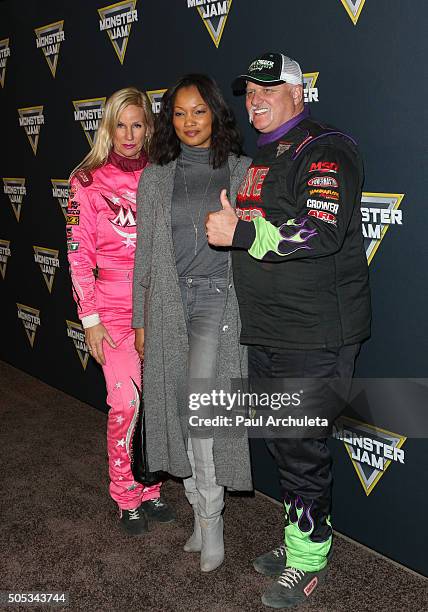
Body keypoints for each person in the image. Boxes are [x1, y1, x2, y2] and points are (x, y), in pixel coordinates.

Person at [206, 52, 371, 607]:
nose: (255, 97)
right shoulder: (265, 154)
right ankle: (306, 535)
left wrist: (243, 231)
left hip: (317, 333)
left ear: (299, 94)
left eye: (268, 88)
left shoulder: (326, 148)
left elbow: (319, 231)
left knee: (301, 445)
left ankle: (307, 562)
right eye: (249, 89)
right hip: (270, 330)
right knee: (283, 441)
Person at [132, 74, 253, 572]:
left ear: (216, 113)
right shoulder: (155, 176)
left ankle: (213, 517)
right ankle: (198, 517)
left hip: (215, 302)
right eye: (179, 113)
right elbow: (144, 255)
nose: (188, 122)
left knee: (203, 412)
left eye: (198, 111)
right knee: (176, 411)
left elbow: (256, 239)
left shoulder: (242, 172)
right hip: (166, 304)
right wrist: (140, 319)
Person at [67, 87, 175, 536]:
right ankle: (125, 493)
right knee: (126, 403)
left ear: (147, 128)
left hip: (158, 307)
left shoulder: (160, 175)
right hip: (110, 311)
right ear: (107, 128)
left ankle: (150, 488)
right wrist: (89, 319)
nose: (129, 135)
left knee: (156, 404)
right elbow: (77, 255)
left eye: (138, 124)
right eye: (121, 125)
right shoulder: (87, 180)